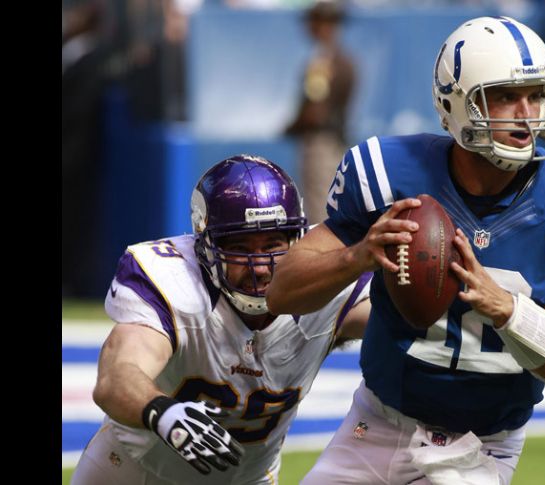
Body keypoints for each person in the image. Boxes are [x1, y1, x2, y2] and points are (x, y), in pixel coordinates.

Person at [267, 15, 545, 485]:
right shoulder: (389, 174)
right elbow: (281, 292)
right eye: (506, 96)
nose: (527, 113)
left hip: (482, 446)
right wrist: (358, 257)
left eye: (536, 95)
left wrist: (507, 310)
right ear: (457, 102)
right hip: (377, 425)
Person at [71, 154, 372, 484]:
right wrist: (161, 410)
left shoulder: (327, 284)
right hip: (134, 470)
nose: (259, 267)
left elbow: (409, 328)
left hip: (248, 478)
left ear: (296, 241)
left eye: (273, 245)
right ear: (206, 248)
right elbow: (116, 377)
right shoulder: (171, 282)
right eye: (241, 248)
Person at [284, 0, 356, 225]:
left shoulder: (322, 61)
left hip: (319, 145)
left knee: (318, 213)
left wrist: (291, 127)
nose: (309, 26)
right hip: (336, 141)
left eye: (313, 21)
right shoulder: (345, 60)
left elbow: (315, 111)